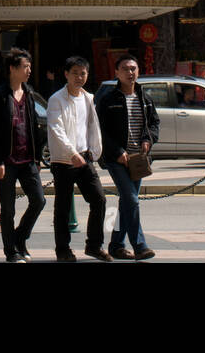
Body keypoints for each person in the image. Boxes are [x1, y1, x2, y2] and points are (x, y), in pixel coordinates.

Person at [95, 54, 160, 261]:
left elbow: (154, 124)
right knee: (131, 199)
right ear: (116, 73)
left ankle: (116, 245)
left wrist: (148, 140)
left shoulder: (145, 99)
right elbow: (100, 131)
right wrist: (116, 151)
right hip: (117, 159)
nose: (130, 72)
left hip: (137, 159)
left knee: (126, 203)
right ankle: (140, 245)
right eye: (125, 69)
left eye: (133, 68)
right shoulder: (108, 100)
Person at [45, 56, 109, 262]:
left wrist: (93, 151)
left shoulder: (89, 98)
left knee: (99, 199)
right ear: (66, 74)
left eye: (83, 73)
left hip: (85, 158)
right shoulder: (56, 99)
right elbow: (56, 129)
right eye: (75, 73)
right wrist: (71, 152)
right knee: (62, 206)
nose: (79, 77)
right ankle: (62, 249)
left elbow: (92, 126)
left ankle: (94, 246)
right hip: (64, 160)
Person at [0, 48, 46, 262]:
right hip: (7, 162)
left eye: (30, 66)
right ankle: (11, 252)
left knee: (39, 200)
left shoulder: (29, 93)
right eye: (25, 66)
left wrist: (37, 158)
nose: (29, 70)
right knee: (8, 210)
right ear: (12, 69)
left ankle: (19, 238)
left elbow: (34, 127)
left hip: (28, 159)